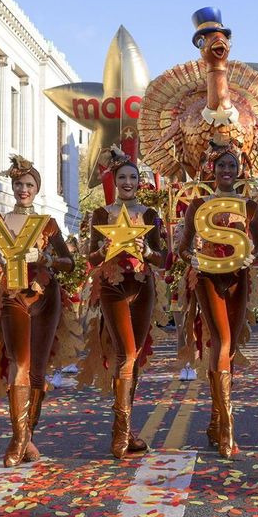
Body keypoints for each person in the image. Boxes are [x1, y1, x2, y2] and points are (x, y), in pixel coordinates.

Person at [0, 156, 77, 467]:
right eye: (19, 184)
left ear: (37, 189)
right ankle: (19, 439)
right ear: (13, 186)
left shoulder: (48, 224)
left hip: (45, 297)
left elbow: (68, 263)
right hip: (12, 296)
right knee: (19, 364)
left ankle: (27, 434)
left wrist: (46, 259)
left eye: (29, 185)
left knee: (37, 371)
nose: (23, 189)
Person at [178, 140, 258, 459]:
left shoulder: (251, 206)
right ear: (210, 170)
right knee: (222, 340)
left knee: (229, 346)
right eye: (221, 165)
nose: (227, 171)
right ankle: (227, 428)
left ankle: (216, 420)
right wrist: (194, 259)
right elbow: (183, 247)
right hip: (207, 277)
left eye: (232, 165)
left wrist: (250, 257)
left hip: (238, 278)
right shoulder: (199, 203)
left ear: (239, 169)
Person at [80, 147, 168, 458]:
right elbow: (89, 257)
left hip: (143, 288)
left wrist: (147, 252)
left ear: (139, 181)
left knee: (134, 357)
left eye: (133, 177)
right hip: (112, 286)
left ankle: (128, 430)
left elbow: (163, 258)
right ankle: (120, 432)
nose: (128, 182)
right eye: (123, 177)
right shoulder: (102, 215)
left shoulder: (150, 215)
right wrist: (102, 249)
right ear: (115, 181)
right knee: (126, 353)